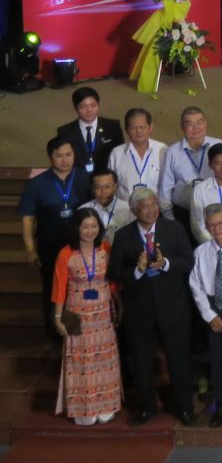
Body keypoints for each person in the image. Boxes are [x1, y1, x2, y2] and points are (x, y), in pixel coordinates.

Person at [109, 188, 196, 425]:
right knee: (141, 362)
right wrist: (137, 271)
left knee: (179, 360)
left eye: (154, 204)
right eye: (145, 207)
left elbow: (188, 261)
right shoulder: (124, 235)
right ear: (135, 211)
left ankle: (184, 407)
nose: (151, 210)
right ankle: (147, 408)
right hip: (139, 311)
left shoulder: (175, 229)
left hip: (173, 308)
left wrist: (165, 263)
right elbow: (114, 272)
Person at [52, 207, 121, 425]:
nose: (90, 230)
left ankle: (106, 405)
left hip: (102, 314)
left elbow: (114, 282)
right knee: (80, 360)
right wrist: (57, 317)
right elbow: (59, 285)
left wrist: (120, 305)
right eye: (85, 226)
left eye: (94, 226)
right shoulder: (66, 253)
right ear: (77, 228)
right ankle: (83, 407)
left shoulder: (106, 249)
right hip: (76, 313)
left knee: (103, 359)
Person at [21, 136, 94, 331]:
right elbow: (28, 218)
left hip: (81, 246)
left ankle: (83, 330)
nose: (65, 160)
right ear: (50, 157)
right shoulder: (36, 184)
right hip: (50, 247)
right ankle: (55, 333)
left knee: (81, 287)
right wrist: (30, 249)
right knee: (53, 289)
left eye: (68, 155)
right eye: (59, 156)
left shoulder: (84, 178)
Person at [158, 107, 221, 233]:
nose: (196, 128)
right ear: (182, 127)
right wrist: (170, 220)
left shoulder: (218, 145)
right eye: (190, 124)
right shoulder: (172, 152)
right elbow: (165, 188)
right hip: (183, 214)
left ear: (206, 123)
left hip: (214, 212)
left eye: (200, 122)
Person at [58, 85, 123, 174]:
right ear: (76, 108)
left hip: (106, 177)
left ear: (98, 105)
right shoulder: (65, 132)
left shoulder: (112, 127)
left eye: (93, 105)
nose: (89, 110)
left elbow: (120, 155)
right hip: (78, 178)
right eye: (83, 107)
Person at [108, 107, 165, 202]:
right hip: (125, 210)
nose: (138, 132)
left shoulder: (162, 150)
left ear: (150, 128)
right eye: (133, 128)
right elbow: (110, 184)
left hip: (155, 209)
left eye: (142, 127)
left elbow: (168, 184)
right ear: (126, 129)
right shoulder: (116, 153)